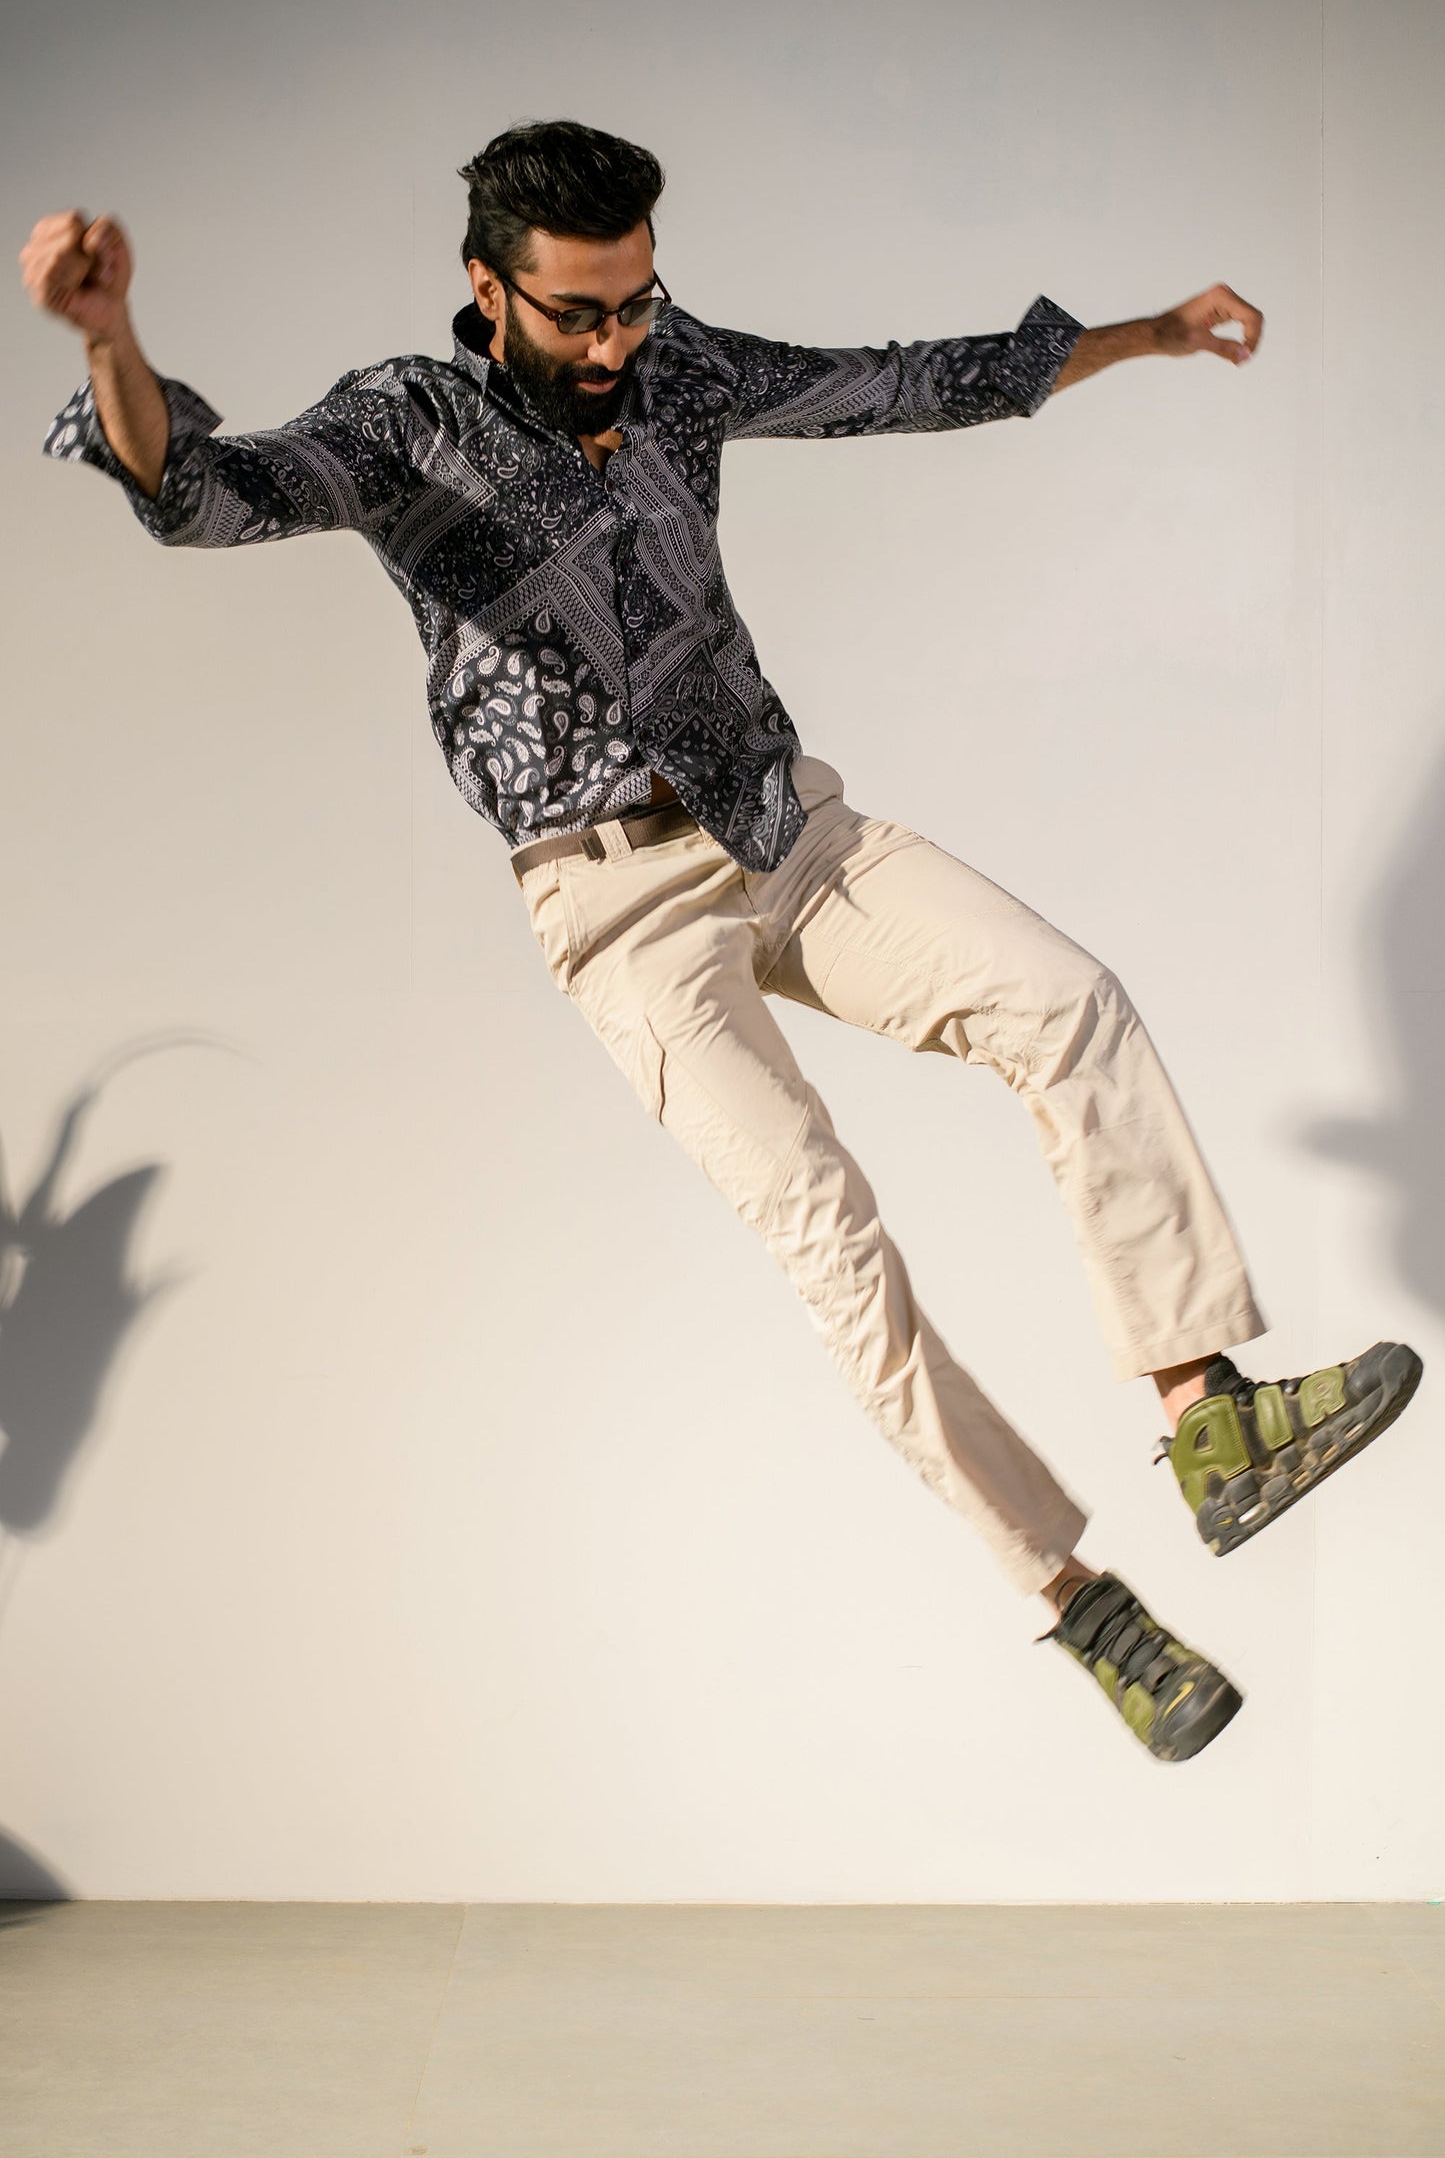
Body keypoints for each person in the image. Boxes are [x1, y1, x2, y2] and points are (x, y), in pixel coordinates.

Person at [20, 119, 1422, 1764]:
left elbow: (903, 382)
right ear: (489, 289)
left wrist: (1153, 335)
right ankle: (1074, 1597)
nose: (614, 345)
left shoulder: (676, 369)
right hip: (615, 907)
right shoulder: (405, 420)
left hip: (781, 827)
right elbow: (197, 496)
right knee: (835, 1247)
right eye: (575, 317)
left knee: (1066, 1002)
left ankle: (1211, 1424)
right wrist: (114, 340)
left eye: (632, 303)